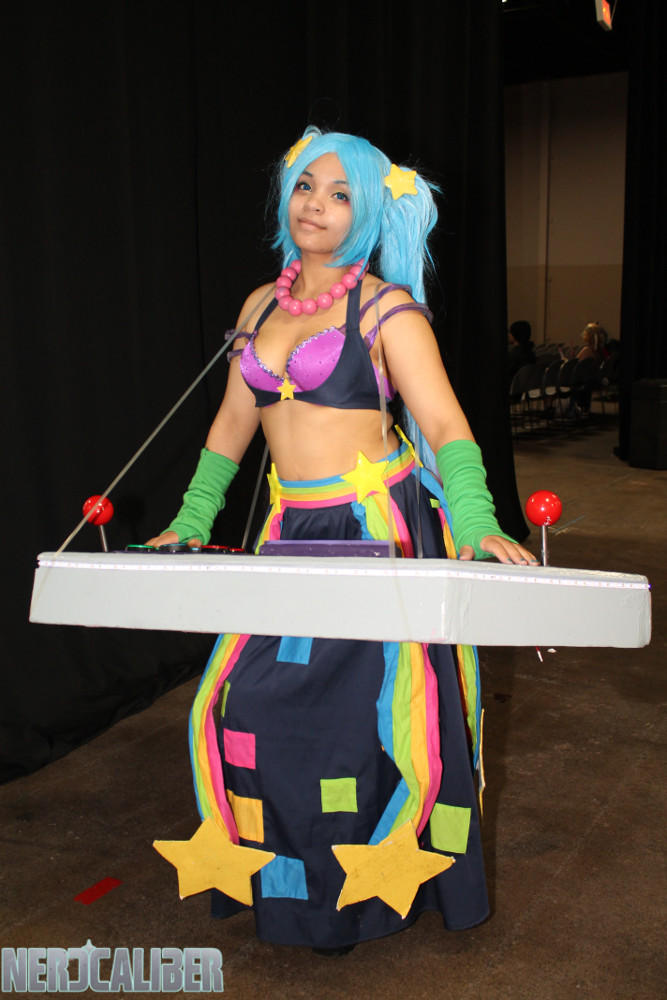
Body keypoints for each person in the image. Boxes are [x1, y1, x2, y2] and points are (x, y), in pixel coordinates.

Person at [148, 127, 537, 953]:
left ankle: (358, 900)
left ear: (367, 215)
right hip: (287, 531)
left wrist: (474, 521)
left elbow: (444, 425)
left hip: (374, 532)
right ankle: (292, 886)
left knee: (364, 723)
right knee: (245, 705)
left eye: (338, 194)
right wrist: (193, 516)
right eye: (304, 186)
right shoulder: (260, 305)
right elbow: (232, 423)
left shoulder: (387, 310)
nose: (315, 205)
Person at [507, 319, 536, 386]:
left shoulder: (515, 355)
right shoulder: (530, 352)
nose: (508, 335)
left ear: (515, 334)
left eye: (510, 332)